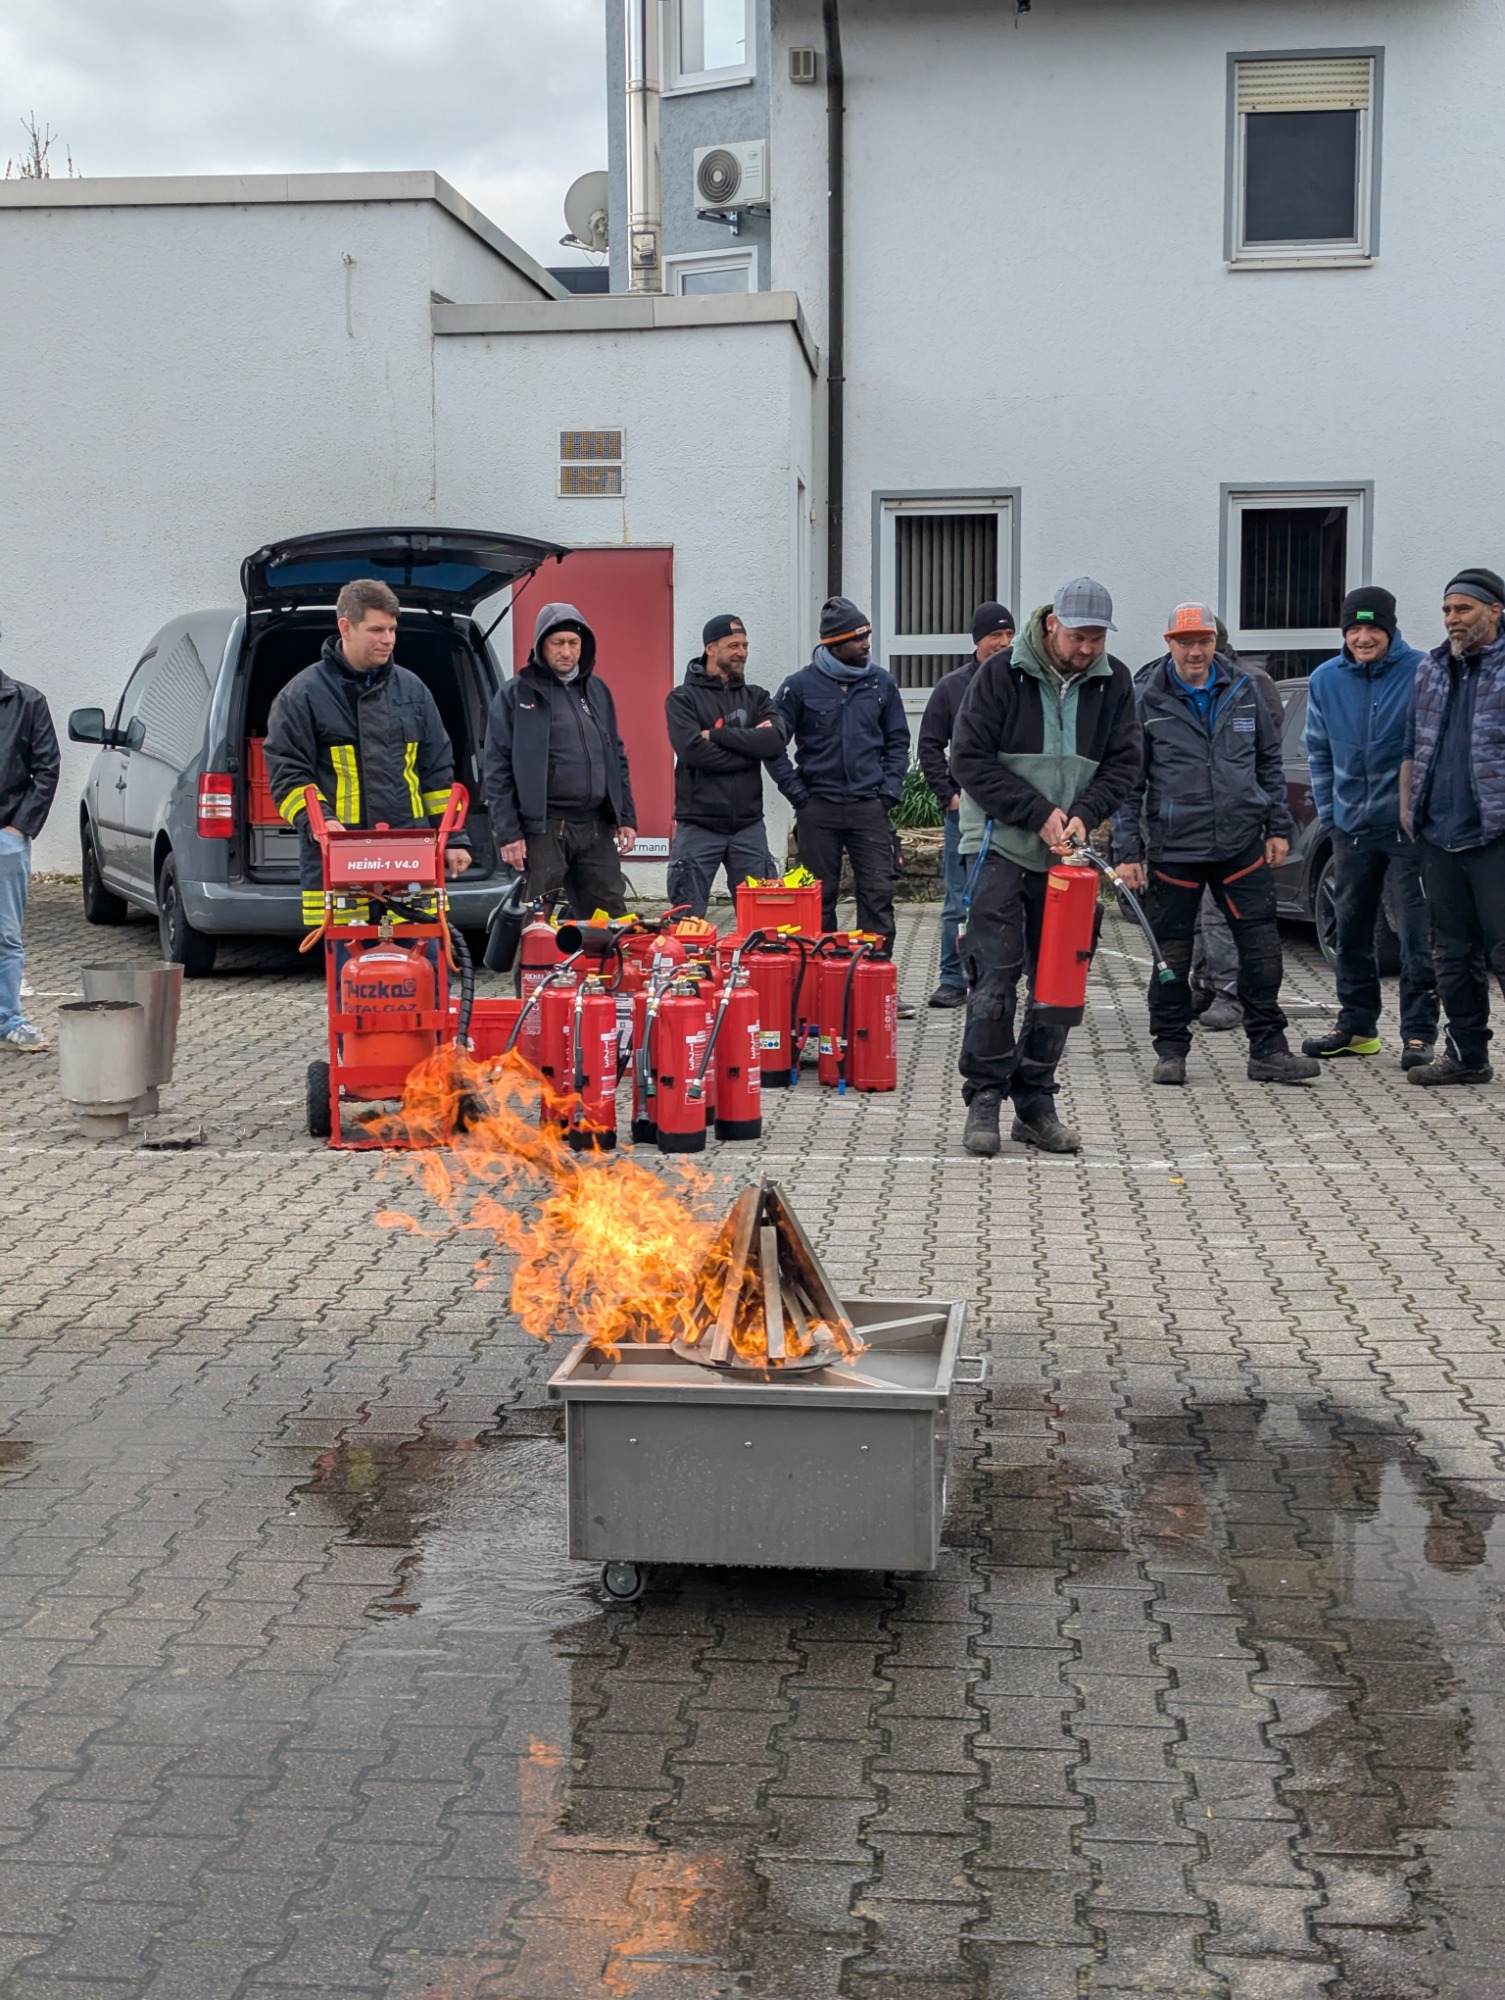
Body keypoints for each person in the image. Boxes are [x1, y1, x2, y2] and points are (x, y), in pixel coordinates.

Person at [951, 577, 1141, 1155]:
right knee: (995, 979)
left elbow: (1126, 762)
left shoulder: (1114, 681)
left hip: (1070, 857)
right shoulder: (1000, 675)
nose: (1087, 649)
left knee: (1059, 984)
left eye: (1097, 639)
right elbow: (968, 761)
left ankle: (1035, 1102)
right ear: (1052, 624)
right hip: (1000, 847)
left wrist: (1085, 812)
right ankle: (985, 1097)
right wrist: (1037, 813)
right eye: (1078, 636)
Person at [1113, 602, 1318, 1088]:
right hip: (1174, 850)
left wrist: (1278, 827)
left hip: (1240, 846)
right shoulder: (1146, 699)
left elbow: (1268, 764)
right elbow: (1128, 783)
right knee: (1171, 957)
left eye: (1203, 641)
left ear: (1215, 643)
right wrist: (1127, 852)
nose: (1195, 651)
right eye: (1185, 642)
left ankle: (1269, 1049)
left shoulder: (1245, 690)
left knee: (1262, 951)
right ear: (1170, 645)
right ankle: (1170, 1050)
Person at [263, 579, 470, 931]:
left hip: (410, 853)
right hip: (340, 854)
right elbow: (288, 773)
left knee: (417, 956)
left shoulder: (414, 691)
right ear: (346, 627)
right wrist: (321, 821)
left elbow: (437, 774)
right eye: (376, 630)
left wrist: (453, 839)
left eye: (392, 629)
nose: (388, 639)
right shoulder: (302, 695)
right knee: (349, 960)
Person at [1302, 586, 1437, 1069]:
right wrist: (1330, 813)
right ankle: (1357, 1027)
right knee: (1351, 930)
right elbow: (1318, 750)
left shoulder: (1422, 671)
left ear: (1390, 630)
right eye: (1354, 629)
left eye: (1373, 628)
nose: (1363, 638)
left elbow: (1434, 746)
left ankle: (1419, 1034)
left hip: (1406, 830)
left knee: (1416, 934)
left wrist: (1422, 812)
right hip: (1350, 828)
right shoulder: (1325, 679)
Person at [1400, 566, 1505, 1086]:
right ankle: (1468, 1056)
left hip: (1495, 836)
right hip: (1438, 835)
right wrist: (1408, 808)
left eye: (1463, 608)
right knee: (1452, 956)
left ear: (1495, 610)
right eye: (1446, 610)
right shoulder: (1432, 669)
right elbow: (1411, 744)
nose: (1452, 619)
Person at [773, 596, 910, 954]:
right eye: (857, 638)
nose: (866, 644)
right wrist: (797, 794)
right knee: (818, 901)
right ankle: (821, 976)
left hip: (869, 807)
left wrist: (888, 792)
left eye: (867, 636)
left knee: (878, 895)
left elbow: (898, 741)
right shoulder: (798, 687)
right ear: (834, 643)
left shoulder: (882, 684)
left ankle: (875, 973)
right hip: (818, 808)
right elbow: (771, 745)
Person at [484, 602, 636, 917]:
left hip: (596, 828)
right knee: (533, 920)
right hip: (543, 830)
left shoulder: (598, 691)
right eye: (558, 643)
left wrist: (626, 817)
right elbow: (497, 769)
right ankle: (531, 954)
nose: (566, 651)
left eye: (573, 643)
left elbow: (616, 756)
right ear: (541, 644)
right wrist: (509, 833)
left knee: (611, 920)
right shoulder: (516, 695)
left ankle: (594, 953)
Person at [917, 602, 1015, 1008]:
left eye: (1009, 635)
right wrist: (950, 796)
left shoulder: (1021, 682)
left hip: (1013, 814)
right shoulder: (952, 687)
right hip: (967, 814)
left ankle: (999, 979)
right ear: (977, 640)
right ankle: (951, 979)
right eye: (995, 635)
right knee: (959, 901)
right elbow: (928, 745)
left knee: (1007, 900)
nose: (1003, 643)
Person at [664, 614, 787, 917]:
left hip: (748, 827)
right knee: (687, 921)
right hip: (698, 826)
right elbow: (693, 752)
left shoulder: (757, 697)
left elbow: (775, 742)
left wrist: (718, 736)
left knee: (763, 920)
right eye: (733, 645)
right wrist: (750, 750)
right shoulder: (682, 699)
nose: (742, 652)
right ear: (710, 648)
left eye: (745, 645)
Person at [0, 624, 61, 1053]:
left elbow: (47, 768)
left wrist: (18, 828)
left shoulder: (27, 702)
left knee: (5, 937)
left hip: (5, 837)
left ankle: (9, 1020)